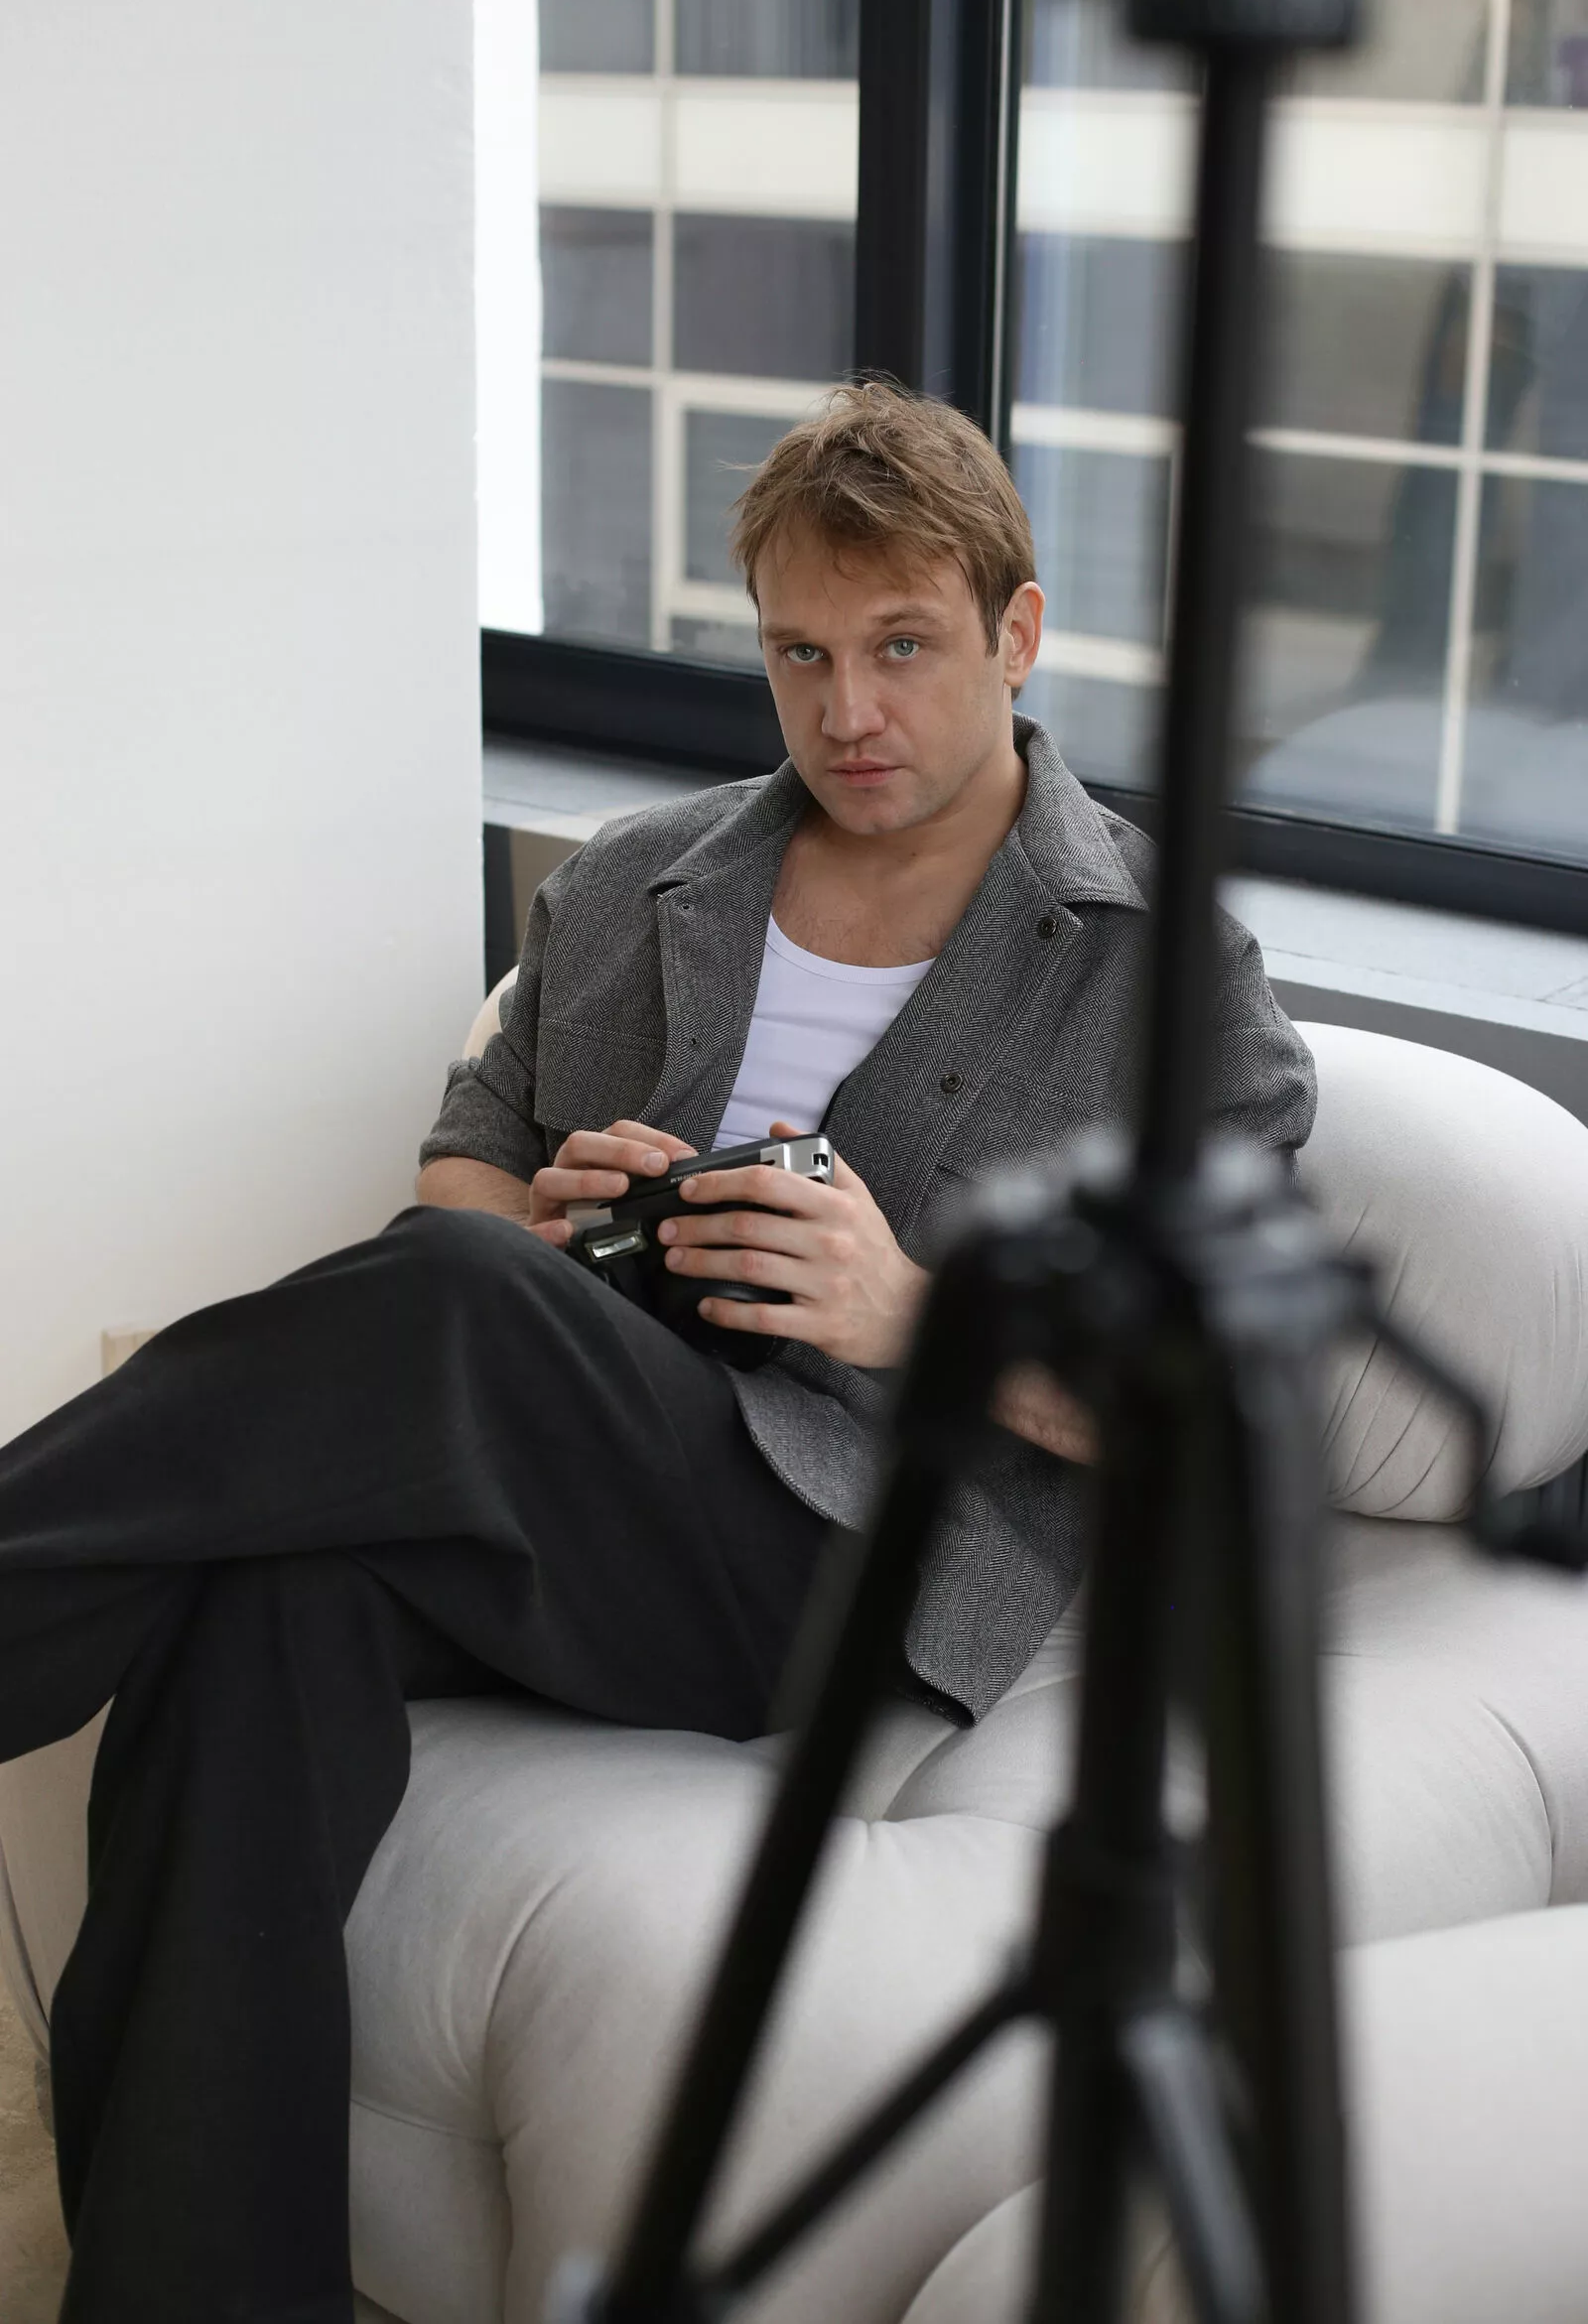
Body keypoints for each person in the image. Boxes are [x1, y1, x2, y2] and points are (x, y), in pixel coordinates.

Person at [0, 381, 1315, 2324]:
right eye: (800, 656)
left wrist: (908, 1310)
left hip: (845, 1556)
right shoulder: (636, 877)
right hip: (561, 1468)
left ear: (1015, 633)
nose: (846, 712)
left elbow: (1216, 1407)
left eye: (901, 649)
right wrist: (548, 1233)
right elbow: (468, 1159)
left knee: (452, 1307)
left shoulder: (1161, 970)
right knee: (266, 1602)